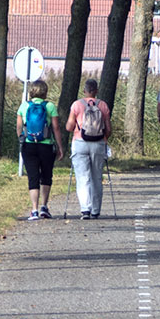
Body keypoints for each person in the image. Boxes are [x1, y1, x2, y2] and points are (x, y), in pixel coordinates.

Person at [17, 79, 64, 220]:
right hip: (46, 145)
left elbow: (19, 128)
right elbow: (55, 128)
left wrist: (22, 140)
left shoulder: (24, 106)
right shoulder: (50, 106)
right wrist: (60, 146)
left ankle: (34, 210)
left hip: (29, 145)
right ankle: (44, 207)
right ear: (45, 91)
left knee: (33, 177)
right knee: (46, 176)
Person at [65, 78, 112, 219]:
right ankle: (96, 210)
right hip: (98, 144)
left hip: (80, 142)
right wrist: (103, 139)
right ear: (96, 91)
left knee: (82, 177)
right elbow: (108, 129)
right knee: (96, 177)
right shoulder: (103, 105)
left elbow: (69, 127)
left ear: (84, 90)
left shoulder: (77, 105)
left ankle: (85, 209)